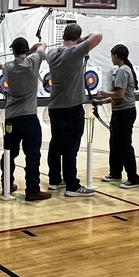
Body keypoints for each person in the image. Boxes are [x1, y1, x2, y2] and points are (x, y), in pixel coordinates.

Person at [0, 37, 52, 202]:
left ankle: (7, 185)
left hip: (11, 118)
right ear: (26, 51)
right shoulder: (33, 61)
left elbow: (1, 65)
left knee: (9, 152)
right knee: (32, 154)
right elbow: (42, 45)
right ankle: (32, 190)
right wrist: (34, 48)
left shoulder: (8, 67)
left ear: (13, 51)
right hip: (29, 117)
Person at [46, 23, 102, 196]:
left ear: (63, 35)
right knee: (70, 148)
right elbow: (98, 35)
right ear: (77, 37)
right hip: (71, 107)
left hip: (55, 107)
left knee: (56, 144)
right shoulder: (75, 52)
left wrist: (78, 40)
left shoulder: (52, 53)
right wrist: (81, 40)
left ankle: (54, 180)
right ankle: (72, 185)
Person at [97, 44, 139, 188]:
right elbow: (117, 96)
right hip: (121, 112)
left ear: (116, 56)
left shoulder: (122, 71)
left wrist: (104, 93)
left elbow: (119, 95)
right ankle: (115, 172)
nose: (111, 59)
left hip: (124, 113)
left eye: (112, 56)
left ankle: (133, 178)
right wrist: (101, 101)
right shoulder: (124, 69)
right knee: (115, 143)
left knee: (124, 145)